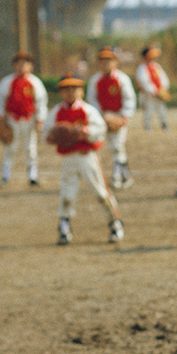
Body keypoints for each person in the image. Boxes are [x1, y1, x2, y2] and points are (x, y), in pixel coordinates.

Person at [44, 73, 123, 245]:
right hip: (68, 158)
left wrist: (84, 132)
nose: (70, 92)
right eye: (66, 89)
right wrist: (52, 136)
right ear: (61, 92)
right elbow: (46, 133)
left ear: (81, 91)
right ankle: (64, 227)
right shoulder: (57, 112)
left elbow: (100, 130)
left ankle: (114, 222)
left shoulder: (88, 110)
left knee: (100, 192)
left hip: (87, 157)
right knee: (67, 194)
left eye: (75, 88)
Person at [0, 51, 48, 186]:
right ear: (14, 66)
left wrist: (40, 119)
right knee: (10, 147)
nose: (21, 66)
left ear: (31, 66)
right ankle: (6, 175)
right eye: (18, 63)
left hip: (29, 118)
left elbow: (41, 102)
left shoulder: (35, 82)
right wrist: (1, 119)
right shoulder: (7, 81)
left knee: (30, 147)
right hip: (12, 119)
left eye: (25, 63)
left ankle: (32, 175)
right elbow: (0, 101)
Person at [86, 47, 136, 189]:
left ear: (115, 62)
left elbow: (129, 99)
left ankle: (118, 177)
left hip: (118, 116)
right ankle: (123, 176)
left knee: (118, 147)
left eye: (109, 60)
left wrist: (124, 116)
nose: (106, 63)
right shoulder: (96, 80)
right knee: (97, 148)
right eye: (103, 61)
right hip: (102, 118)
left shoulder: (122, 79)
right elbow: (92, 100)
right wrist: (101, 117)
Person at [136, 45, 171, 132]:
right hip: (149, 94)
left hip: (159, 92)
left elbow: (163, 78)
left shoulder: (157, 66)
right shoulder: (142, 68)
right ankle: (147, 125)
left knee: (161, 109)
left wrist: (163, 88)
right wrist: (154, 90)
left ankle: (164, 124)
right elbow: (144, 82)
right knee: (149, 110)